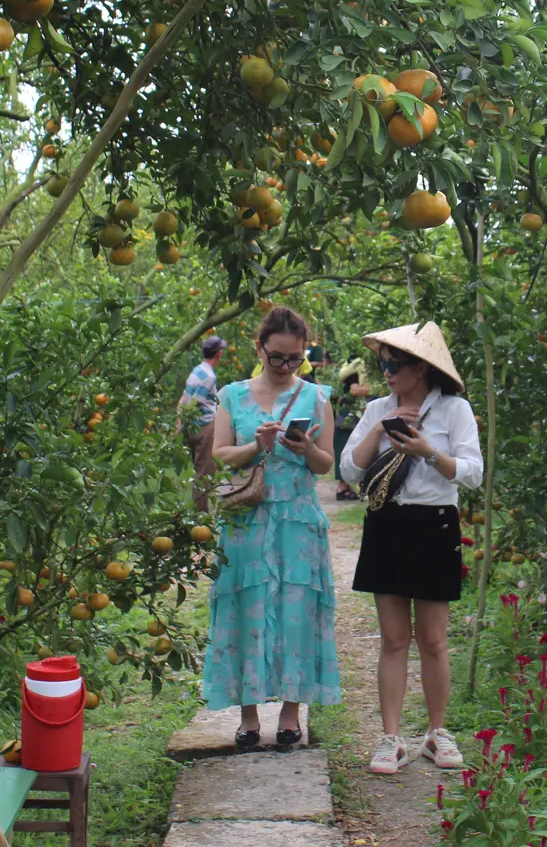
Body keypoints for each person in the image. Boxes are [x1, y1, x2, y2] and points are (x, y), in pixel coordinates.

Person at [340, 321, 483, 775]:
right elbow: (347, 471)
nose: (386, 372)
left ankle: (437, 733)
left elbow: (472, 472)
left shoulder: (454, 409)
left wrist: (425, 450)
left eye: (393, 364)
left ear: (420, 368)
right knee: (394, 639)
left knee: (434, 640)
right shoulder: (379, 408)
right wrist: (380, 432)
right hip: (388, 523)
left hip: (433, 524)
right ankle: (391, 738)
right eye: (383, 363)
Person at [204, 306, 341, 747]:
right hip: (247, 520)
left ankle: (290, 712)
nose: (285, 367)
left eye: (294, 359)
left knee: (297, 612)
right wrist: (255, 445)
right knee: (247, 611)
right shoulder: (231, 395)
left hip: (298, 523)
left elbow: (326, 464)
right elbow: (221, 453)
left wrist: (301, 448)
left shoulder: (317, 397)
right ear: (259, 348)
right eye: (277, 357)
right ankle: (247, 715)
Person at [176, 335, 227, 481]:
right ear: (218, 353)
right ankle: (202, 504)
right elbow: (194, 403)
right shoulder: (209, 377)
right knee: (205, 472)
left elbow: (183, 399)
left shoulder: (196, 371)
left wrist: (180, 423)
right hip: (204, 427)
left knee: (199, 468)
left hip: (192, 427)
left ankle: (198, 501)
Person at [332, 350, 373, 502]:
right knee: (346, 447)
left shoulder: (350, 366)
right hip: (348, 415)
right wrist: (377, 389)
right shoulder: (355, 369)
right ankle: (343, 487)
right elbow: (355, 390)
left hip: (349, 414)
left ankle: (347, 487)